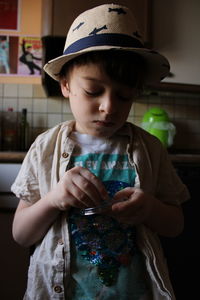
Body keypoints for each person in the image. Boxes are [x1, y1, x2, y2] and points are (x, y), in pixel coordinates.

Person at [11, 3, 190, 300]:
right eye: (93, 91)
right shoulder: (45, 148)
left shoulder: (150, 148)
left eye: (123, 95)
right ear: (66, 85)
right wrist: (54, 199)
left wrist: (150, 209)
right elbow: (21, 234)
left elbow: (176, 225)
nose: (109, 107)